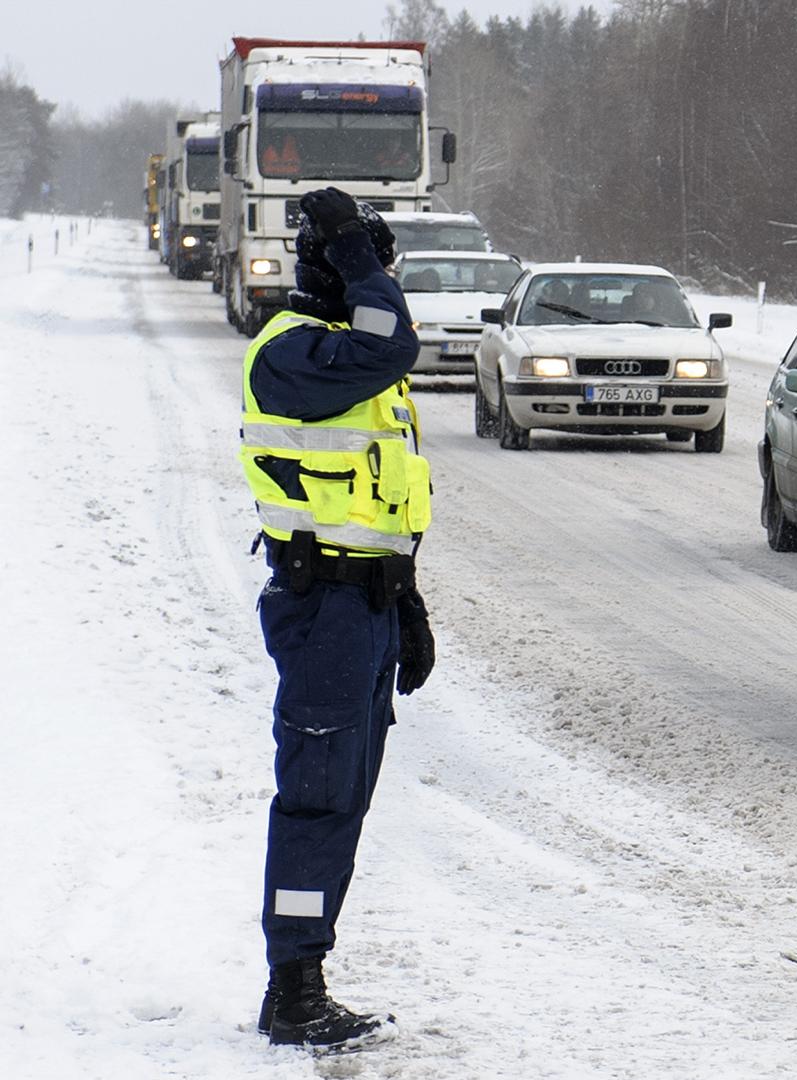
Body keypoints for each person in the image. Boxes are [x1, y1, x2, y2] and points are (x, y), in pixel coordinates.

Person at [240, 187, 434, 1050]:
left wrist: (409, 593)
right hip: (323, 609)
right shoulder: (292, 355)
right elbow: (396, 341)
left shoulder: (350, 366)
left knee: (344, 796)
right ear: (339, 274)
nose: (381, 282)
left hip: (365, 604)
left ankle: (308, 972)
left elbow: (376, 495)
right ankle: (293, 989)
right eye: (369, 268)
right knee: (317, 798)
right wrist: (354, 253)